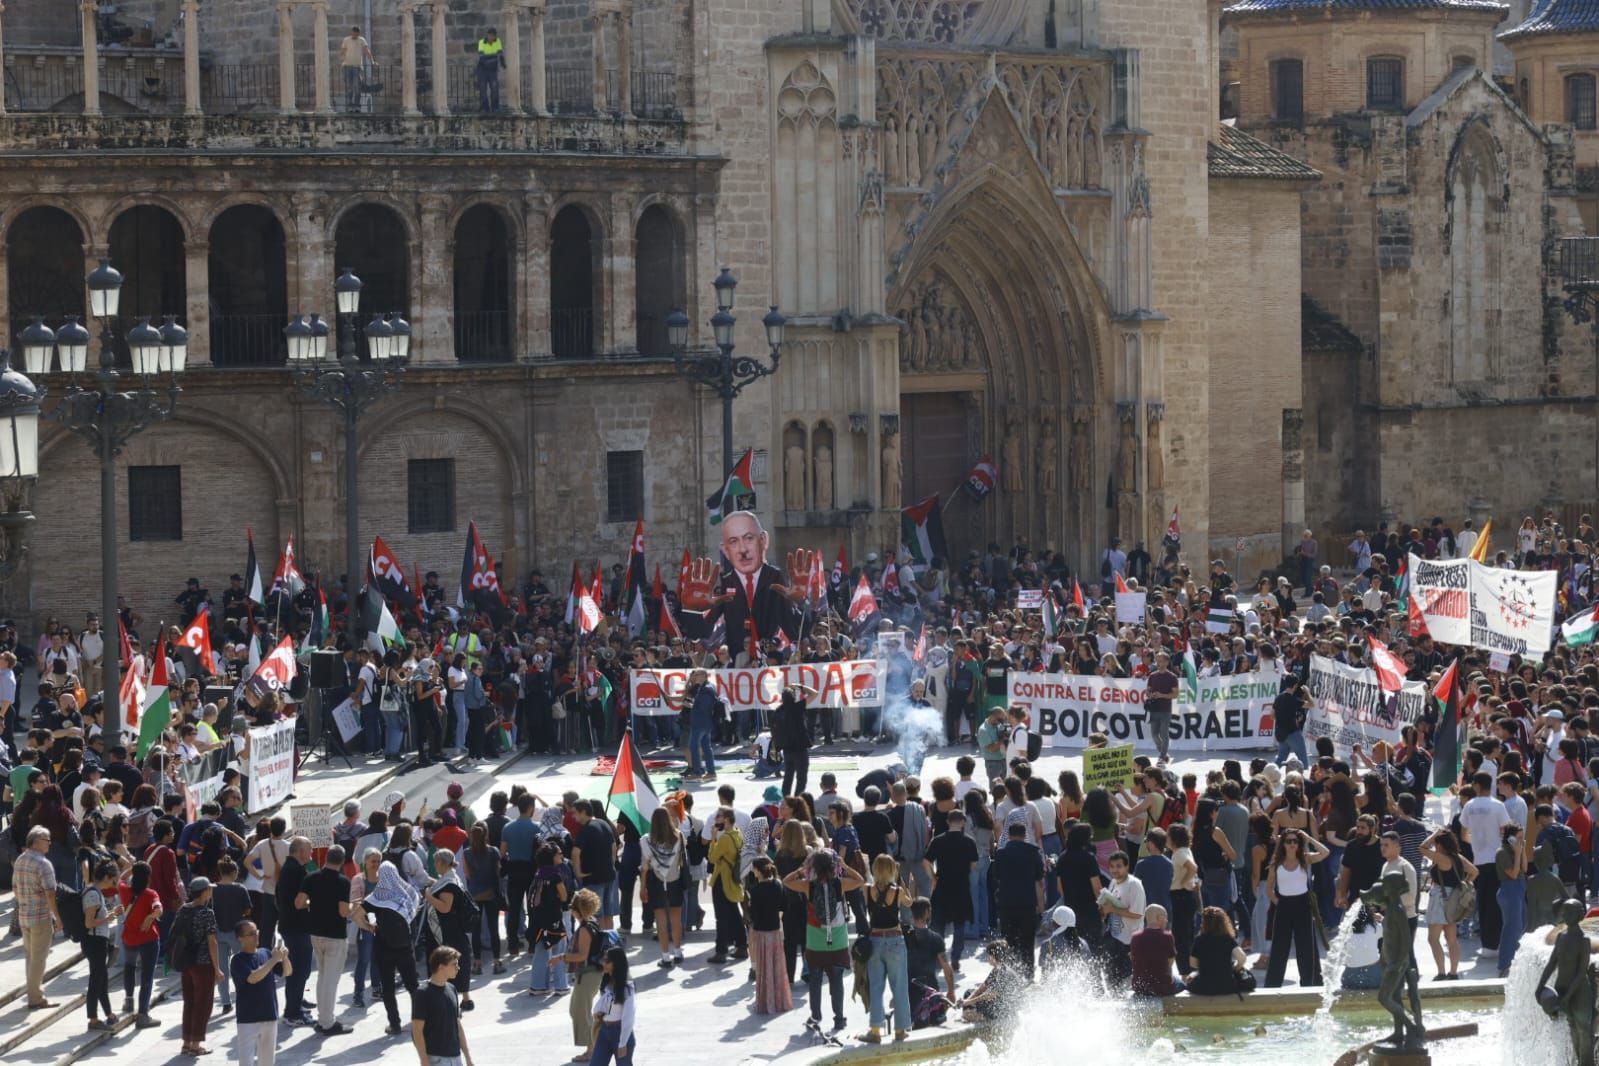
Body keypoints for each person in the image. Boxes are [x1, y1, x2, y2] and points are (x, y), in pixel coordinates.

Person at [782, 847, 863, 1034]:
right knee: (836, 981)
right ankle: (839, 1018)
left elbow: (786, 882)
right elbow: (860, 880)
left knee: (815, 981)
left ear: (815, 867)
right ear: (833, 866)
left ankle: (816, 1016)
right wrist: (845, 866)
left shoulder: (808, 886)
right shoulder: (840, 884)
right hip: (838, 939)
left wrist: (802, 870)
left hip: (815, 940)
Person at [354, 860, 421, 1037]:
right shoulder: (407, 894)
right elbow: (414, 912)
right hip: (405, 946)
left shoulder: (376, 897)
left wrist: (369, 927)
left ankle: (395, 1024)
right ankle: (419, 1021)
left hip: (383, 947)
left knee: (388, 988)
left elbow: (356, 916)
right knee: (412, 985)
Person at [298, 843, 353, 1034]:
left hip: (316, 932)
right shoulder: (343, 881)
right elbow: (343, 911)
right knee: (330, 979)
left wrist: (313, 903)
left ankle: (323, 1018)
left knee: (322, 977)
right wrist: (354, 907)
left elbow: (299, 903)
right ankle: (328, 1022)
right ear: (342, 860)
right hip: (335, 934)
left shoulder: (311, 877)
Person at [1265, 829, 1329, 988]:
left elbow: (1325, 852)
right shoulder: (1276, 863)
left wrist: (1309, 839)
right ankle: (1273, 985)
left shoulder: (1305, 859)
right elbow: (1269, 887)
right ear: (1283, 844)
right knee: (1279, 947)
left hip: (1303, 905)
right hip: (1284, 905)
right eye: (1289, 841)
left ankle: (1311, 983)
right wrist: (1277, 901)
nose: (1293, 844)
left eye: (1295, 841)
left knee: (1306, 946)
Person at [860, 853, 911, 1043]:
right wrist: (903, 882)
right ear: (892, 870)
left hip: (874, 940)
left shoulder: (867, 890)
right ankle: (900, 1030)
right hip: (895, 939)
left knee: (875, 987)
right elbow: (909, 902)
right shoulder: (896, 891)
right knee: (899, 986)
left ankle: (875, 1030)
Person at [230, 920, 289, 1066]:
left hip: (269, 1015)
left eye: (256, 932)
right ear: (240, 939)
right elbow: (253, 978)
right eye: (251, 934)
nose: (256, 935)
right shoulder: (237, 960)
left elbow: (287, 972)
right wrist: (274, 960)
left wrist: (284, 958)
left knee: (268, 1062)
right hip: (248, 1019)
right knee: (246, 1062)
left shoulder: (265, 953)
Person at [15, 825, 62, 1009]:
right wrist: (57, 917)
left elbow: (15, 890)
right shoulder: (43, 863)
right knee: (39, 958)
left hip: (24, 915)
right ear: (36, 841)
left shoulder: (20, 860)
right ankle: (35, 998)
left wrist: (26, 902)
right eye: (47, 840)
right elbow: (50, 893)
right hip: (40, 917)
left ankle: (32, 992)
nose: (50, 843)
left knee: (30, 956)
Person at [992, 821, 1045, 979]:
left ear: (1008, 835)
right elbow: (1039, 878)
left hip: (1006, 902)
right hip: (1027, 903)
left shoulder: (1001, 853)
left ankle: (1009, 974)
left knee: (1008, 940)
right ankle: (1028, 974)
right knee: (1028, 941)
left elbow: (996, 876)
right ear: (1025, 835)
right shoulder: (1033, 852)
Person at [562, 889, 607, 1063]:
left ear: (577, 911)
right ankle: (592, 1047)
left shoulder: (584, 930)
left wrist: (562, 958)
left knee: (582, 1012)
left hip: (588, 975)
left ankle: (592, 1050)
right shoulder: (592, 923)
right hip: (590, 975)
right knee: (577, 1010)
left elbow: (582, 956)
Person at [638, 807, 686, 968]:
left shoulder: (646, 840)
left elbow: (644, 867)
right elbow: (681, 860)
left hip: (656, 882)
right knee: (676, 918)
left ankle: (665, 956)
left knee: (661, 920)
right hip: (675, 880)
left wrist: (642, 887)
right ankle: (678, 951)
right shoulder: (678, 836)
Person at [413, 946, 476, 1066]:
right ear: (441, 967)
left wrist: (467, 1056)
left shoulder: (451, 989)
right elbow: (417, 1030)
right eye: (454, 964)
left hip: (456, 1057)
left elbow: (457, 1024)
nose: (458, 968)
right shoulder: (423, 993)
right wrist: (424, 1060)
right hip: (437, 1059)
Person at [120, 859, 164, 1028]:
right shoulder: (151, 894)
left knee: (129, 968)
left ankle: (129, 1000)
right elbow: (158, 908)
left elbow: (120, 880)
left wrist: (131, 869)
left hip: (129, 938)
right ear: (148, 877)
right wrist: (151, 916)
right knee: (147, 975)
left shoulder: (124, 891)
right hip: (148, 939)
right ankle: (143, 1014)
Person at [746, 856, 792, 1013]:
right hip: (776, 931)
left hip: (761, 933)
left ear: (759, 870)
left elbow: (753, 915)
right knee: (777, 967)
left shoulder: (755, 890)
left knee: (764, 968)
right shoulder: (778, 885)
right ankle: (780, 1000)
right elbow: (785, 907)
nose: (752, 871)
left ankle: (766, 1001)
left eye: (754, 868)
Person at [82, 858, 123, 1031]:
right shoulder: (92, 894)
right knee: (96, 980)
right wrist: (108, 918)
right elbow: (89, 923)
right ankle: (93, 1019)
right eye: (114, 880)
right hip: (94, 942)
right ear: (106, 877)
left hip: (98, 940)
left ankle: (108, 1014)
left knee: (102, 979)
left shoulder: (94, 892)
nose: (114, 884)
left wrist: (111, 914)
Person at [707, 807, 748, 964]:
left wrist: (713, 838)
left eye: (719, 816)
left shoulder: (724, 838)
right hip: (733, 880)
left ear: (726, 819)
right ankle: (742, 945)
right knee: (734, 913)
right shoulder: (738, 834)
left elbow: (712, 857)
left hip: (722, 881)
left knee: (721, 917)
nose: (716, 819)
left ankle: (721, 951)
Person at [572, 800, 619, 930]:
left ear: (583, 812)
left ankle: (600, 943)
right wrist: (611, 863)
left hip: (593, 878)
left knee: (596, 914)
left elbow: (575, 852)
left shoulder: (586, 829)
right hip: (609, 875)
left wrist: (578, 872)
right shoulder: (603, 823)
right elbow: (614, 846)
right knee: (608, 913)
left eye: (575, 813)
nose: (574, 817)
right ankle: (610, 941)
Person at [1187, 906, 1249, 997]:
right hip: (1227, 986)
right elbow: (1242, 958)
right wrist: (1235, 968)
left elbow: (1192, 963)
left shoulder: (1199, 940)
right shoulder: (1227, 939)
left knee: (1188, 980)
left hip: (1204, 987)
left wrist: (1207, 967)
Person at [589, 946, 636, 1065]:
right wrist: (599, 1012)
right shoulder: (606, 981)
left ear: (617, 964)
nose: (603, 963)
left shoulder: (627, 987)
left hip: (620, 1033)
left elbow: (628, 1017)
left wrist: (623, 1043)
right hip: (604, 1031)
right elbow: (608, 1004)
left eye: (607, 961)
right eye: (603, 960)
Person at [1497, 822, 1527, 978]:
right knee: (1512, 929)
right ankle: (1505, 964)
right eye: (1519, 837)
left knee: (1521, 925)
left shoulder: (1517, 849)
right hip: (1509, 890)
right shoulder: (1502, 853)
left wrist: (1522, 852)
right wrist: (1516, 853)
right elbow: (1514, 874)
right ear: (1510, 838)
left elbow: (1525, 868)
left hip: (1520, 889)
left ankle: (1512, 961)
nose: (1522, 840)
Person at [1129, 904, 1180, 996]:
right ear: (1159, 917)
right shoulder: (1167, 936)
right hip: (1162, 987)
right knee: (1182, 982)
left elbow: (1134, 960)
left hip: (1139, 987)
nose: (1167, 921)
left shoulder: (1135, 937)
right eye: (1165, 917)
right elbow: (1170, 963)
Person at [1144, 651, 1179, 764]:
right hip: (1154, 709)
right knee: (1154, 734)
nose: (1158, 663)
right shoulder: (1152, 676)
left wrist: (1162, 695)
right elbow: (1148, 690)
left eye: (1161, 661)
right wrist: (1149, 694)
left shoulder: (1172, 677)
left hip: (1165, 709)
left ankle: (1162, 756)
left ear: (1167, 662)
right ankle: (1163, 753)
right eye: (1157, 661)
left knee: (1164, 733)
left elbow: (1175, 694)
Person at [338, 26, 374, 111]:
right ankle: (349, 106)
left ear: (358, 33)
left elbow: (366, 50)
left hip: (357, 67)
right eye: (354, 33)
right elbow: (343, 50)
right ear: (352, 32)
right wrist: (340, 58)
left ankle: (357, 106)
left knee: (357, 87)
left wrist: (372, 61)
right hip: (347, 66)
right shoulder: (346, 40)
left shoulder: (362, 40)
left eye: (356, 34)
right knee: (349, 87)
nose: (355, 35)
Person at [475, 28, 505, 113]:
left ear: (495, 36)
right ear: (487, 35)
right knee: (483, 89)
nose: (491, 37)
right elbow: (482, 58)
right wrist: (494, 58)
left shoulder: (497, 41)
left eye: (493, 36)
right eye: (490, 35)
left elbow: (500, 54)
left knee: (495, 88)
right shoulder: (481, 42)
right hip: (482, 69)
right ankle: (485, 108)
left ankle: (495, 108)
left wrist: (501, 61)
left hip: (492, 70)